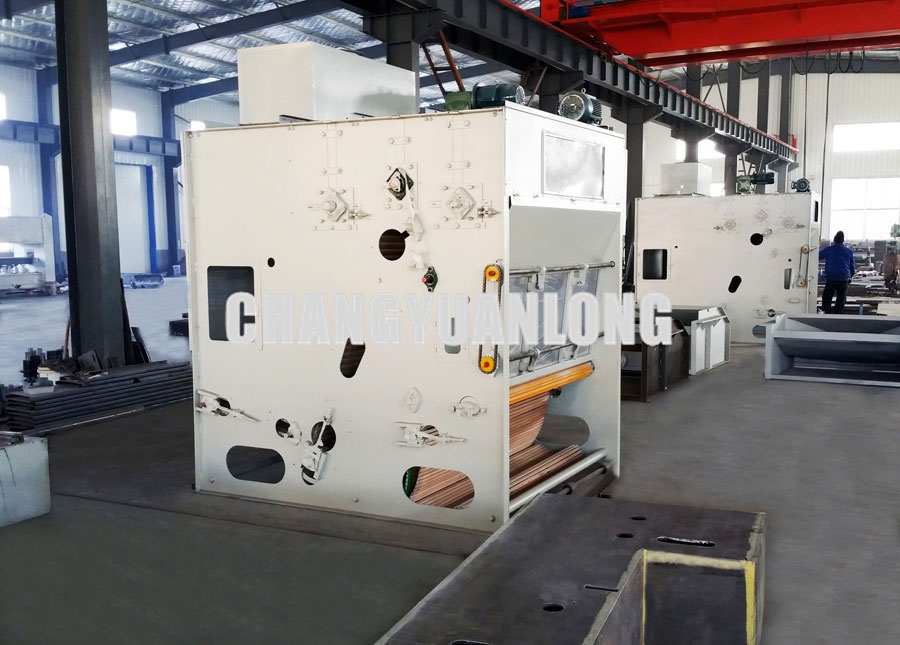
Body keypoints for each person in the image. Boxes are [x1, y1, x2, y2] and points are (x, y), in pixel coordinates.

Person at [818, 231, 855, 314]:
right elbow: (852, 266)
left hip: (831, 277)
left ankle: (826, 311)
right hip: (844, 277)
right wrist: (850, 276)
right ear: (843, 240)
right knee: (841, 297)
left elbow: (817, 256)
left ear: (834, 240)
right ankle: (838, 313)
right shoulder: (848, 251)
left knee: (827, 296)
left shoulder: (829, 250)